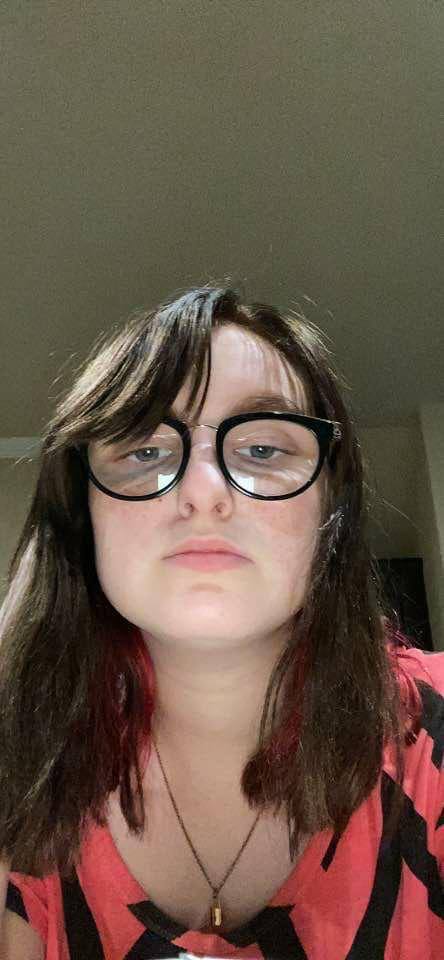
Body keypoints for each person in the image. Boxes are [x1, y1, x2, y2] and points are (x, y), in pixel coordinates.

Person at [0, 283, 443, 960]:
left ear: (331, 511)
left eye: (262, 450)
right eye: (144, 451)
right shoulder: (22, 767)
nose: (202, 494)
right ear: (82, 517)